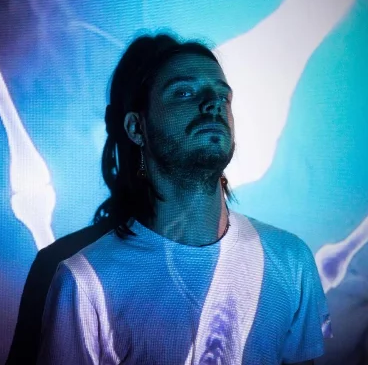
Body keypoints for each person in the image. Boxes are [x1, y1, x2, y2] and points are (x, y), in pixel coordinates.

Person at [36, 33, 331, 365]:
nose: (213, 104)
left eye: (222, 95)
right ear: (137, 128)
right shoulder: (84, 280)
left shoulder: (291, 260)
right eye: (184, 92)